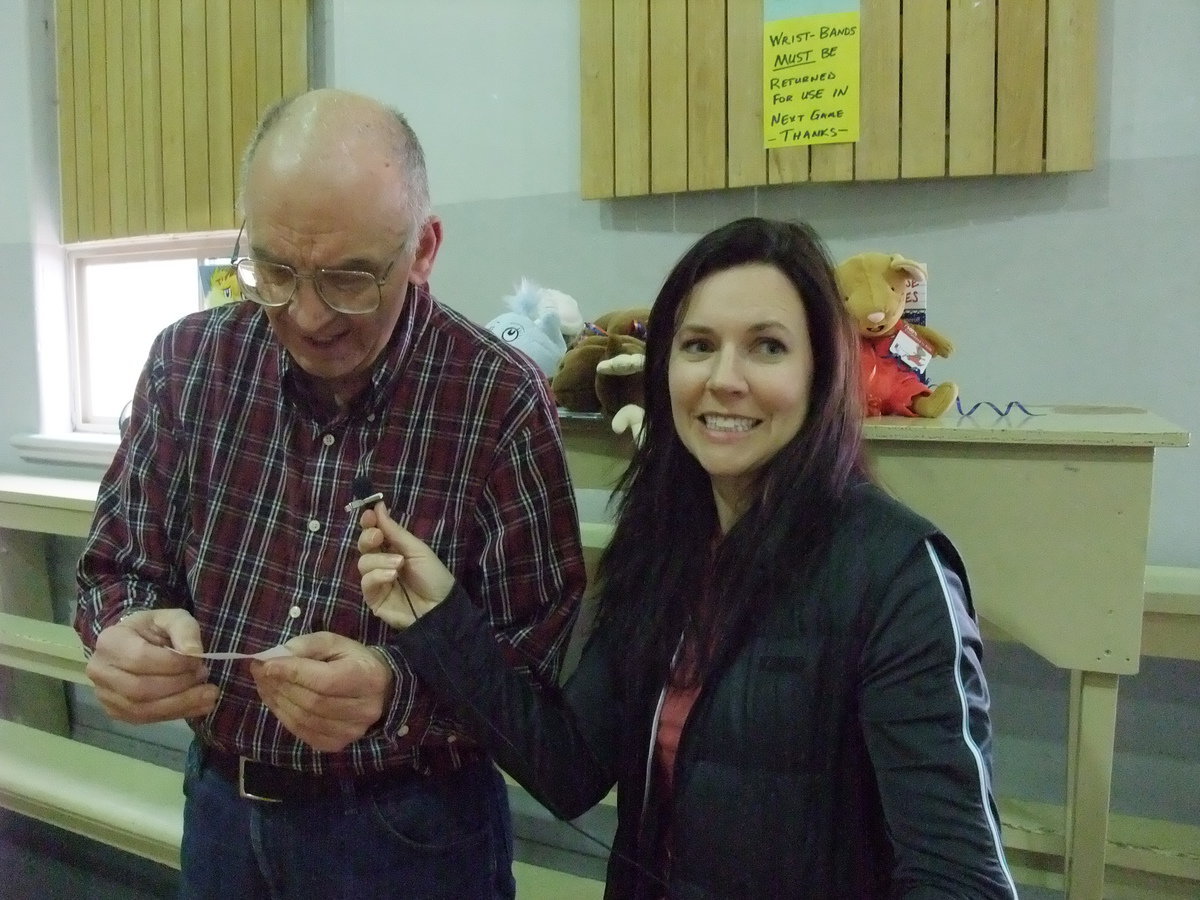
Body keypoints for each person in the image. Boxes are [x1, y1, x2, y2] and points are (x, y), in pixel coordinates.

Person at [358, 218, 1019, 898]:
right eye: (699, 345)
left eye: (767, 347)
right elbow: (569, 769)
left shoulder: (898, 571)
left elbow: (959, 877)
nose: (723, 380)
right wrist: (437, 614)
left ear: (821, 372)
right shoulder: (663, 547)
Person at [75, 88, 585, 899]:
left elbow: (539, 665)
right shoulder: (189, 363)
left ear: (424, 249)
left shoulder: (498, 398)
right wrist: (121, 632)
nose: (309, 315)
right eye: (275, 271)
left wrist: (397, 693)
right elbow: (115, 566)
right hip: (220, 809)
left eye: (350, 279)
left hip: (410, 829)